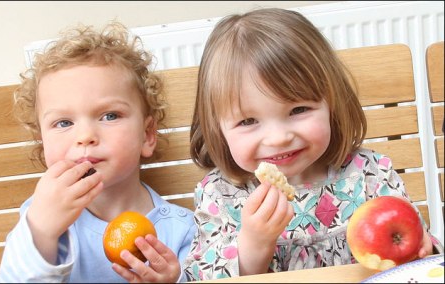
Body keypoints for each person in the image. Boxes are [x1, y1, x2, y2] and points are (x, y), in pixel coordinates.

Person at [183, 8, 443, 280]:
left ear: (331, 103)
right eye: (248, 121)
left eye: (298, 110)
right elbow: (201, 278)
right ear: (218, 129)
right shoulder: (219, 195)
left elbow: (422, 254)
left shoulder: (370, 174)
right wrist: (253, 246)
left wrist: (423, 249)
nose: (278, 138)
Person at [0, 21, 196, 283]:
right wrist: (42, 232)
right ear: (43, 144)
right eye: (64, 123)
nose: (85, 136)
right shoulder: (40, 216)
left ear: (147, 135)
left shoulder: (182, 230)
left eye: (110, 115)